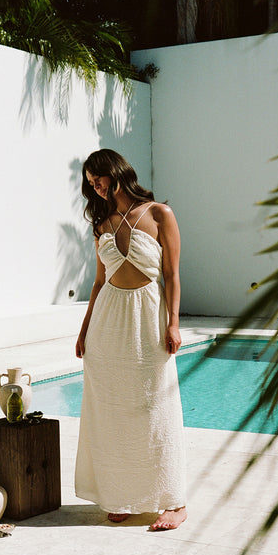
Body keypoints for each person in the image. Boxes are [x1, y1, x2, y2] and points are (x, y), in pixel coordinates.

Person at [74, 149, 187, 531]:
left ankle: (174, 501)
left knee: (157, 407)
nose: (95, 187)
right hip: (107, 325)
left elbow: (172, 275)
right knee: (112, 410)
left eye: (98, 179)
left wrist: (173, 323)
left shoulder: (159, 214)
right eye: (90, 183)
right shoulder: (102, 224)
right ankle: (122, 494)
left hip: (148, 317)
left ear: (115, 171)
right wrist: (84, 330)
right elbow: (98, 282)